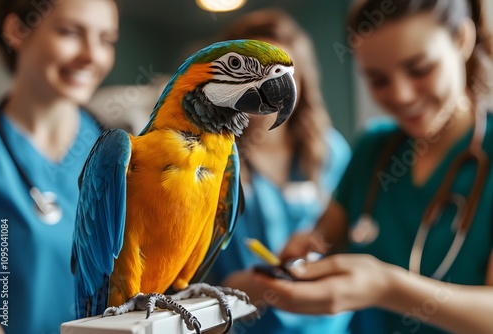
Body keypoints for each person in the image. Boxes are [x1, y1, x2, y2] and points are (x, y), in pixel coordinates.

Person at [250, 0, 493, 333]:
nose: (402, 95)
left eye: (420, 69)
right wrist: (303, 252)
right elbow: (323, 239)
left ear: (462, 40)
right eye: (378, 80)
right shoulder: (373, 149)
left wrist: (387, 287)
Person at [207, 8, 353, 334]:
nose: (270, 83)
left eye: (285, 71)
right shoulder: (210, 159)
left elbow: (349, 237)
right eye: (252, 70)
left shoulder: (331, 152)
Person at [0, 0, 119, 333]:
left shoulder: (123, 155)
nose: (92, 56)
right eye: (69, 32)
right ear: (17, 31)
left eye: (106, 40)